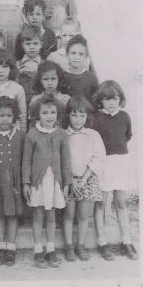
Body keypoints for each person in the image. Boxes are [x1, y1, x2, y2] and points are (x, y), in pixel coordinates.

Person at [22, 94, 72, 268]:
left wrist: (67, 183)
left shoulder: (62, 134)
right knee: (38, 215)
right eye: (45, 113)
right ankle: (37, 250)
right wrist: (26, 183)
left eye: (53, 112)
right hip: (38, 182)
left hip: (56, 182)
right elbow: (26, 161)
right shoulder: (32, 134)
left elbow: (66, 161)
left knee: (51, 216)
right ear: (37, 115)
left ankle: (50, 249)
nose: (49, 116)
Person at [92, 80, 138, 261]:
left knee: (120, 202)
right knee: (101, 204)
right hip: (103, 163)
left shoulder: (124, 116)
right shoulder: (96, 118)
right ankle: (102, 241)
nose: (111, 102)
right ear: (100, 101)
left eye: (115, 98)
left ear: (120, 99)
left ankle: (126, 240)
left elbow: (127, 136)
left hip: (120, 162)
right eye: (107, 99)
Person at [62, 96, 105, 262]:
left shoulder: (93, 135)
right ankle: (68, 246)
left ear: (88, 116)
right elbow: (62, 159)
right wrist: (71, 179)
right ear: (68, 116)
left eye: (82, 115)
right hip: (69, 180)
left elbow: (99, 157)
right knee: (68, 214)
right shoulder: (63, 134)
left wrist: (84, 178)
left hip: (87, 180)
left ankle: (80, 244)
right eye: (74, 115)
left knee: (83, 214)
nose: (78, 120)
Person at [0, 97, 25, 266]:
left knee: (12, 214)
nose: (5, 119)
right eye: (1, 115)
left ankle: (11, 247)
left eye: (9, 116)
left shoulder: (20, 137)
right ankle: (1, 246)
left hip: (14, 183)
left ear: (14, 117)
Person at [29, 61, 70, 125]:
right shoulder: (35, 99)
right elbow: (32, 122)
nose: (49, 83)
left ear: (59, 79)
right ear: (40, 80)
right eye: (46, 79)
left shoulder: (65, 99)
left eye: (53, 79)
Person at [63, 35, 99, 104]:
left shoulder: (91, 77)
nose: (77, 57)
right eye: (73, 53)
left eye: (81, 54)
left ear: (86, 56)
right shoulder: (62, 77)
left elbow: (95, 102)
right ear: (67, 54)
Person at [16, 24, 43, 107]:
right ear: (22, 45)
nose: (31, 47)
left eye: (35, 43)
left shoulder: (44, 65)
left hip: (39, 104)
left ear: (41, 44)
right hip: (22, 103)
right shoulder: (17, 64)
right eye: (28, 44)